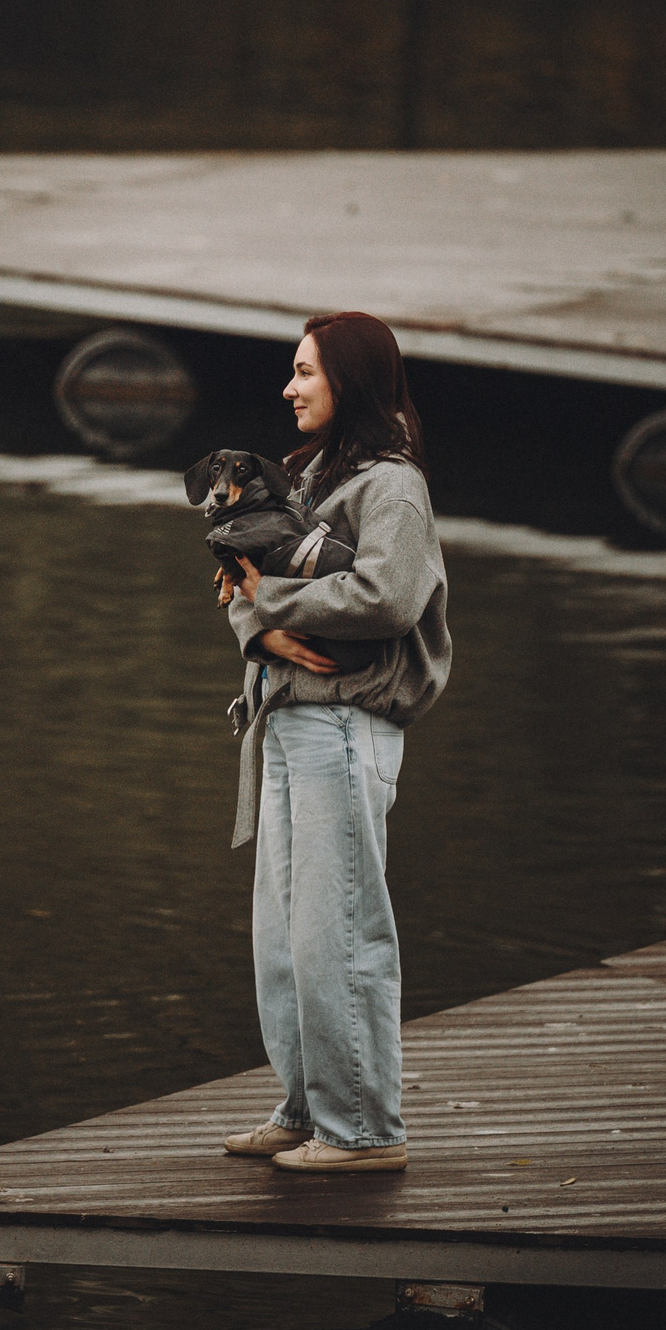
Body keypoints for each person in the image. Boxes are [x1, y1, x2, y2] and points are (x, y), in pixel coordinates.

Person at [215, 311, 451, 1174]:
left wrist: (271, 605)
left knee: (339, 932)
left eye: (306, 371)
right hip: (285, 721)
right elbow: (236, 581)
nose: (289, 387)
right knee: (284, 939)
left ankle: (364, 1131)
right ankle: (306, 1107)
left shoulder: (393, 487)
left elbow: (389, 597)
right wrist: (262, 627)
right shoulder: (301, 479)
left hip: (347, 724)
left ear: (348, 382)